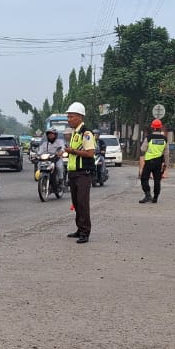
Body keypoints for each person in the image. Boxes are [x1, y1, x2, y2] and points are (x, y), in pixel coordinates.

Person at [64, 102, 98, 243]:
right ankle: (79, 228)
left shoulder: (86, 133)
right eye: (68, 117)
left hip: (83, 173)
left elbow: (90, 153)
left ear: (79, 117)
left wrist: (72, 151)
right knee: (76, 203)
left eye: (71, 117)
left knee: (83, 203)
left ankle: (85, 232)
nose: (69, 119)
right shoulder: (75, 133)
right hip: (73, 172)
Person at [138, 119, 169, 203]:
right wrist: (166, 165)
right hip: (158, 162)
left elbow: (143, 149)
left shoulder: (149, 138)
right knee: (157, 180)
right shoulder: (164, 139)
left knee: (144, 178)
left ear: (153, 128)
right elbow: (166, 153)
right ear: (160, 128)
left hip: (149, 161)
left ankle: (148, 195)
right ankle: (155, 198)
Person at [31, 127, 66, 194]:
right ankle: (44, 181)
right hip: (47, 160)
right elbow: (40, 151)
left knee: (59, 167)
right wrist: (36, 155)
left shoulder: (59, 142)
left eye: (52, 134)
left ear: (55, 135)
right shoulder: (45, 144)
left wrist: (60, 152)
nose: (50, 135)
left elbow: (63, 148)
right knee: (39, 165)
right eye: (49, 134)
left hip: (56, 159)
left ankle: (61, 181)